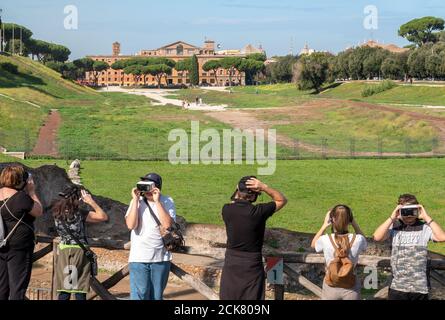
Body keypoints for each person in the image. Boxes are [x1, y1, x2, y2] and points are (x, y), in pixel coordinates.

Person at [219, 176, 287, 300]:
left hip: (231, 263)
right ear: (254, 195)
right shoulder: (258, 212)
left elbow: (234, 201)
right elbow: (282, 200)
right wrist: (264, 187)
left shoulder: (226, 210)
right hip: (252, 264)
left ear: (237, 191)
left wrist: (238, 189)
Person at [373, 194, 445, 300]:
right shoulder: (394, 227)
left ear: (418, 210)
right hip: (397, 287)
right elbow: (377, 237)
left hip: (420, 287)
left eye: (412, 212)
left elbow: (442, 237)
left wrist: (426, 216)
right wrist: (392, 217)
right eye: (405, 212)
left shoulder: (424, 228)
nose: (409, 216)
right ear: (399, 211)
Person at [125, 173, 176, 300]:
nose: (145, 189)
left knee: (156, 297)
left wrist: (157, 201)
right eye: (143, 185)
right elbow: (131, 225)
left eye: (148, 185)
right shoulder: (136, 201)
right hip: (138, 258)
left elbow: (167, 225)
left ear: (156, 187)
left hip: (160, 258)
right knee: (139, 296)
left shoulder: (167, 201)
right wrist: (136, 200)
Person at [52, 185, 108, 300]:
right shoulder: (80, 214)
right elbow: (103, 216)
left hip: (63, 251)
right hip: (80, 252)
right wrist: (91, 201)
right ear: (77, 199)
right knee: (79, 287)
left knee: (64, 288)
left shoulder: (57, 214)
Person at [0, 165, 43, 300]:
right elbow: (38, 211)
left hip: (1, 246)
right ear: (20, 179)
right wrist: (32, 191)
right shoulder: (21, 198)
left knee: (2, 287)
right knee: (17, 288)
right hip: (19, 249)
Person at [311, 205, 367, 300]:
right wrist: (353, 223)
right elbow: (365, 243)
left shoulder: (325, 239)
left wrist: (324, 224)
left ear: (332, 219)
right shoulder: (358, 239)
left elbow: (313, 245)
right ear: (349, 220)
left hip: (331, 285)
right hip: (351, 287)